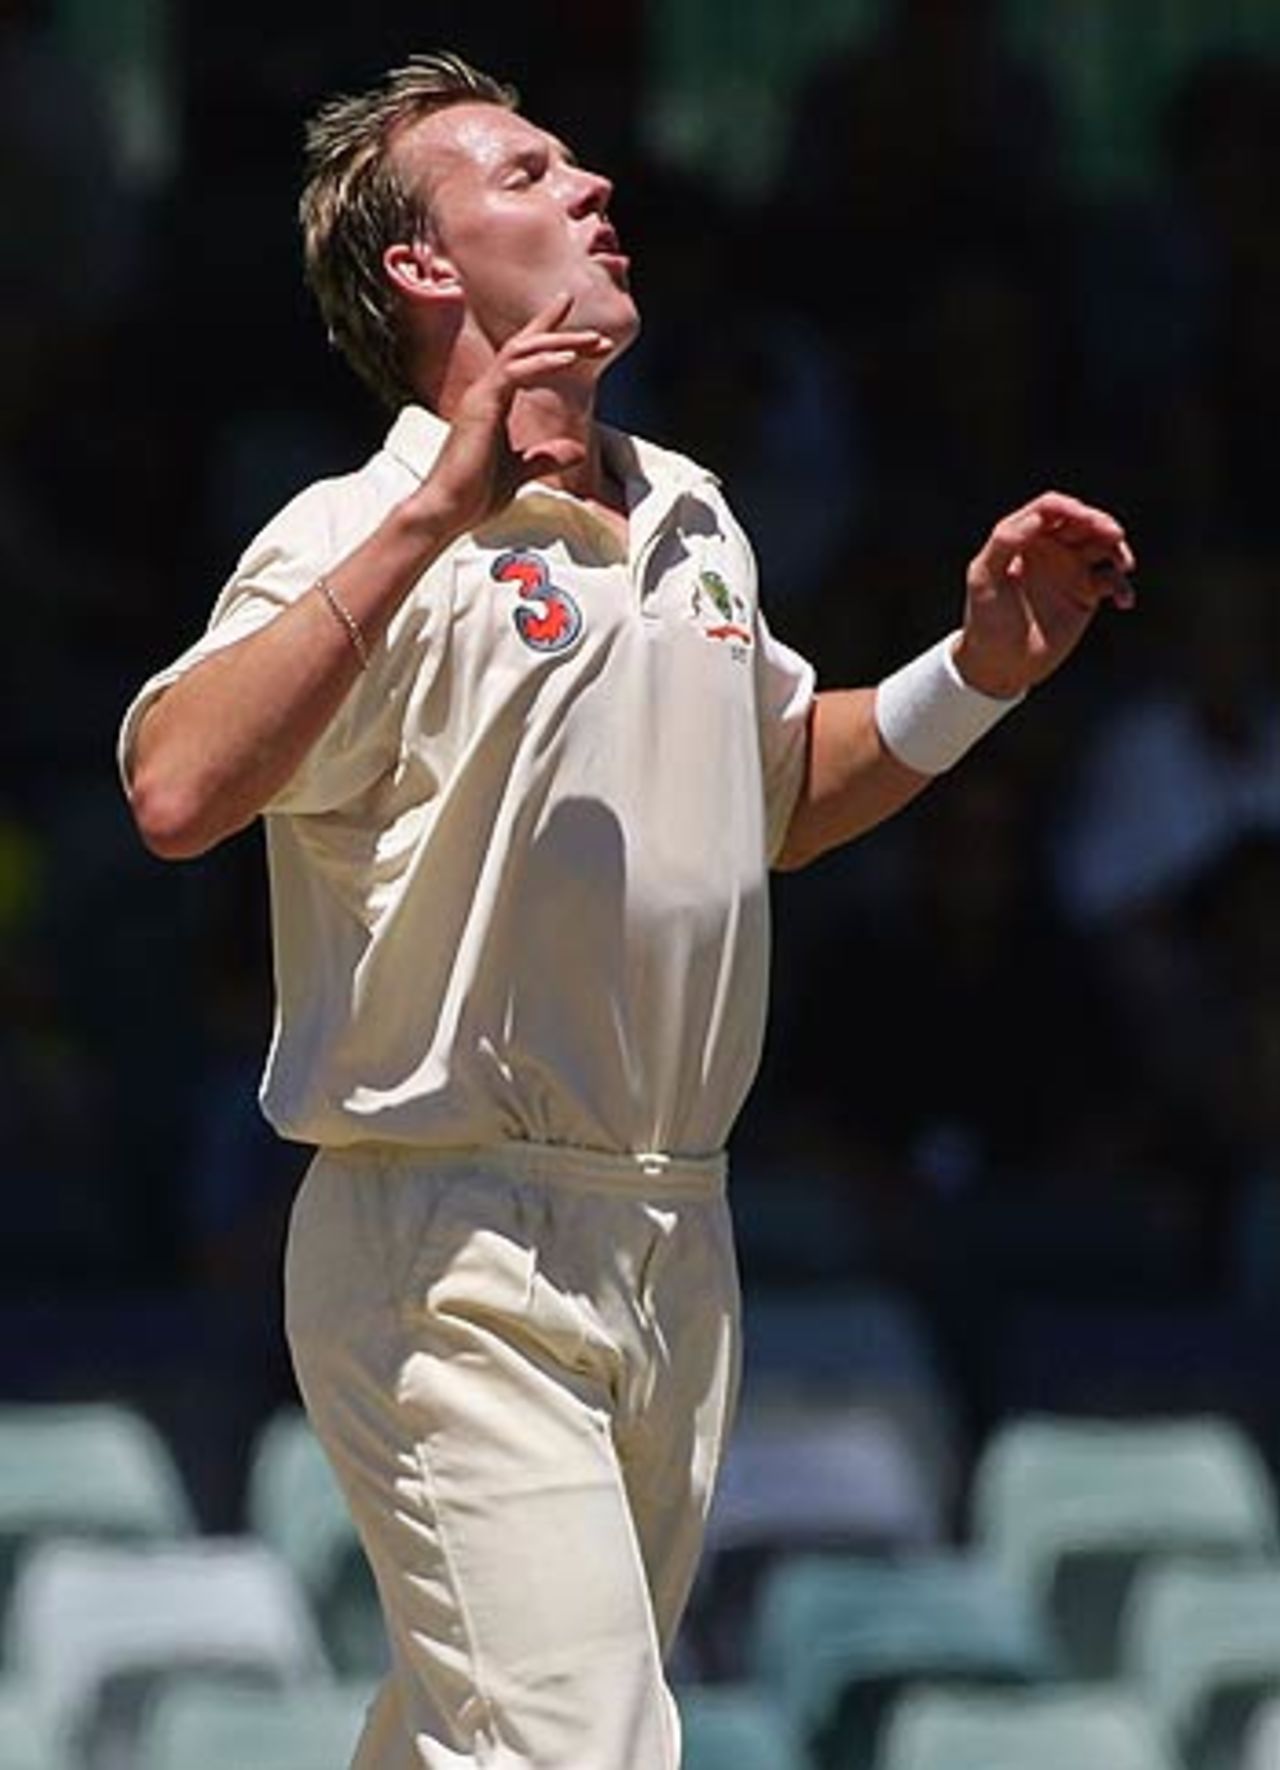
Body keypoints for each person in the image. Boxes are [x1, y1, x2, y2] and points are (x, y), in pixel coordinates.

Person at [117, 49, 1136, 1769]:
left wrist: (977, 671)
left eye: (580, 166)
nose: (592, 190)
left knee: (482, 1732)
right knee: (580, 1742)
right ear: (422, 268)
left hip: (676, 1232)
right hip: (447, 1237)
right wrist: (443, 501)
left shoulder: (692, 511)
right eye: (526, 174)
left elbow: (775, 802)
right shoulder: (357, 523)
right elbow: (174, 788)